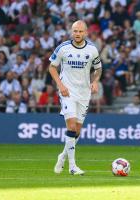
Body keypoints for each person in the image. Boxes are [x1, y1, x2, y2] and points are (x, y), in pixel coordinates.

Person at [49, 20, 102, 175]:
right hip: (68, 92)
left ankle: (63, 156)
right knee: (71, 126)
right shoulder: (63, 48)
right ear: (71, 32)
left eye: (80, 31)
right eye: (75, 31)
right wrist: (61, 86)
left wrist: (95, 81)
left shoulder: (92, 50)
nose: (77, 34)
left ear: (86, 32)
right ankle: (72, 167)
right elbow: (52, 67)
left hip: (84, 93)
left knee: (77, 131)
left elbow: (98, 69)